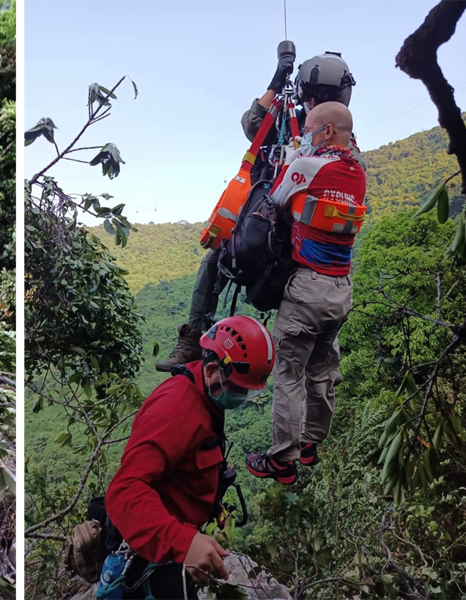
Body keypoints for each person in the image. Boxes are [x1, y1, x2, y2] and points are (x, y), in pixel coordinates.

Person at [156, 52, 364, 374]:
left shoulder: (337, 136)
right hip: (259, 216)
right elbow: (252, 124)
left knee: (301, 288)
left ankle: (311, 363)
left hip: (296, 233)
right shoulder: (287, 118)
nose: (315, 102)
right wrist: (275, 82)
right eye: (312, 96)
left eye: (322, 97)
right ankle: (193, 338)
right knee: (216, 258)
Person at [106, 316, 276, 597]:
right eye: (237, 389)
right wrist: (184, 543)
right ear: (212, 369)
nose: (240, 396)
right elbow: (124, 491)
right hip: (152, 555)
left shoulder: (205, 395)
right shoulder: (174, 411)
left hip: (174, 545)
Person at [244, 101, 366, 484]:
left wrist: (294, 155)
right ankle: (311, 442)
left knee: (289, 374)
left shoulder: (307, 166)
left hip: (306, 291)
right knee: (323, 370)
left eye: (311, 130)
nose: (307, 138)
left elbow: (274, 200)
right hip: (341, 289)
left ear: (327, 132)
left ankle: (282, 459)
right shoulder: (360, 172)